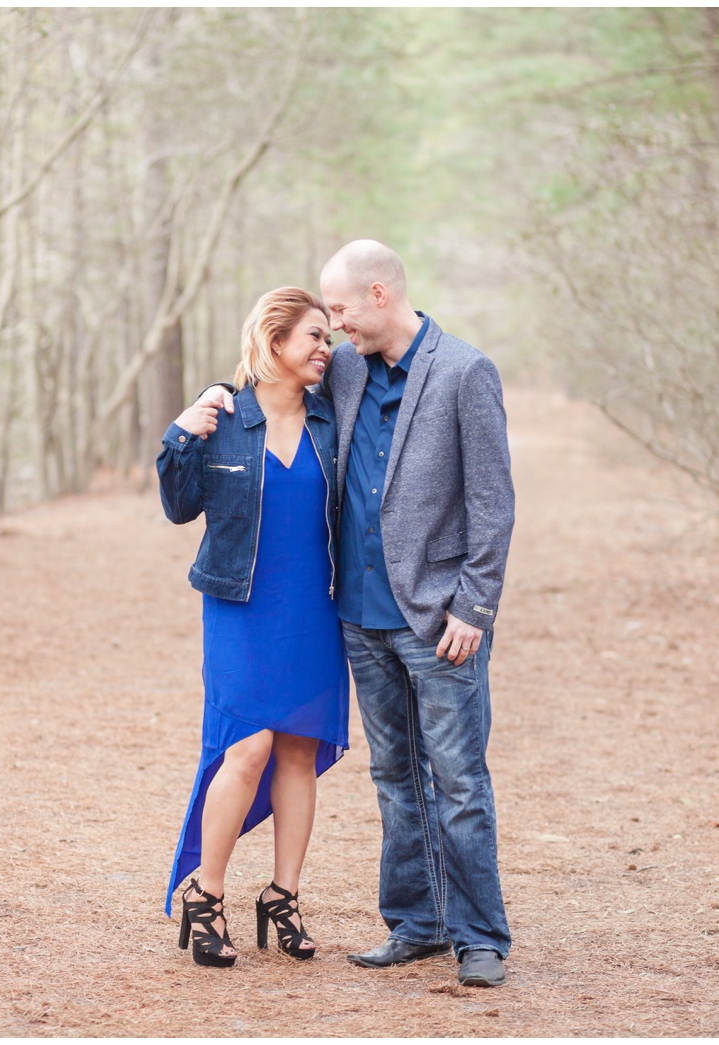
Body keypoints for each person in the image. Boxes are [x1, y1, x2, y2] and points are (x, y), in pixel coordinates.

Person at [190, 240, 515, 987]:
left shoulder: (465, 372)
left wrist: (475, 604)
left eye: (337, 310)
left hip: (440, 620)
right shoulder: (343, 370)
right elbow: (267, 375)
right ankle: (417, 922)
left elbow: (494, 506)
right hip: (358, 617)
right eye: (323, 319)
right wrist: (205, 401)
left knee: (459, 779)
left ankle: (479, 934)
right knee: (395, 777)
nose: (330, 328)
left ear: (377, 294)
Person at [158, 287, 350, 969]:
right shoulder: (225, 416)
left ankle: (283, 896)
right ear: (274, 342)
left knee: (298, 750)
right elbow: (179, 507)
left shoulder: (332, 422)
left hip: (314, 606)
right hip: (241, 607)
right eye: (314, 338)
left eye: (329, 338)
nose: (326, 350)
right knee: (248, 746)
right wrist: (180, 433)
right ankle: (205, 895)